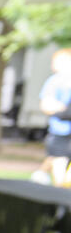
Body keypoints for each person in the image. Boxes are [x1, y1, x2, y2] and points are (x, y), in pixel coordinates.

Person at [35, 47, 71, 185]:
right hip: (60, 132)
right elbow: (46, 105)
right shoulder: (55, 81)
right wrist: (65, 110)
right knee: (59, 173)